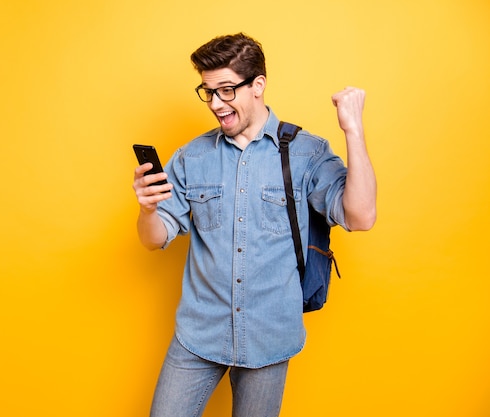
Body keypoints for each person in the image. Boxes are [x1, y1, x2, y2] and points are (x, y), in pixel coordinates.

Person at [132, 33, 376, 417]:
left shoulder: (307, 152)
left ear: (258, 85)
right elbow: (154, 239)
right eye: (208, 91)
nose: (215, 103)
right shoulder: (190, 157)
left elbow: (361, 217)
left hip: (269, 336)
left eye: (226, 90)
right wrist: (148, 210)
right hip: (199, 333)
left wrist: (353, 130)